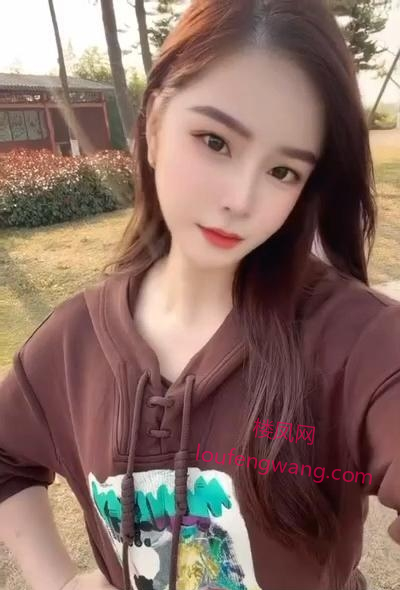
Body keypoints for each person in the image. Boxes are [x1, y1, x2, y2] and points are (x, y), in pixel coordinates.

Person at [1, 1, 399, 589]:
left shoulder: (357, 340)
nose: (241, 199)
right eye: (215, 141)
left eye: (283, 171)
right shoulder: (71, 344)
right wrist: (58, 580)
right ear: (154, 126)